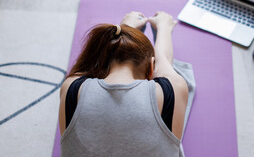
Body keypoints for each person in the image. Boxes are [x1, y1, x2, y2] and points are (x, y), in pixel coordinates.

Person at [58, 11, 189, 157]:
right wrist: (164, 27)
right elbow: (163, 61)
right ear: (152, 67)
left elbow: (89, 66)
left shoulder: (71, 88)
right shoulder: (172, 89)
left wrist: (125, 29)